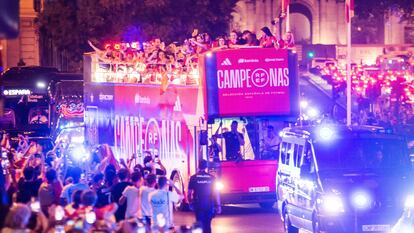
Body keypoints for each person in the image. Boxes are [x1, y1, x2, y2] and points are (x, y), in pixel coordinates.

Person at [188, 160, 221, 233]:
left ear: (198, 166)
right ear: (206, 167)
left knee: (199, 224)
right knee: (208, 225)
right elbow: (216, 193)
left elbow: (189, 193)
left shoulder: (193, 177)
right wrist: (218, 206)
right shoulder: (212, 178)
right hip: (209, 204)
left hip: (198, 204)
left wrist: (190, 203)